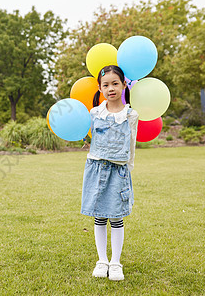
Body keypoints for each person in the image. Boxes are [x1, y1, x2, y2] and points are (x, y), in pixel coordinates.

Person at [81, 65, 139, 281]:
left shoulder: (131, 115)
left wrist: (128, 169)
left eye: (115, 83)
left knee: (116, 217)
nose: (111, 88)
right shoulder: (94, 113)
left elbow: (131, 145)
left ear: (124, 85)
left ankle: (115, 262)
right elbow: (91, 139)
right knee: (99, 216)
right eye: (106, 85)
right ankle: (101, 260)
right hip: (96, 169)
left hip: (119, 171)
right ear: (99, 88)